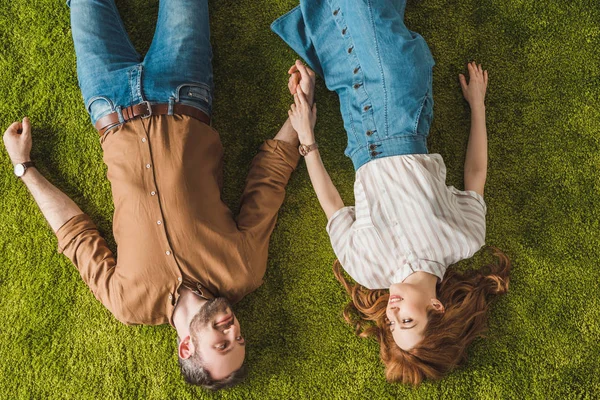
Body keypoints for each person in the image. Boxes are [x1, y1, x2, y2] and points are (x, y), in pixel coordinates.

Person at [2, 0, 303, 390]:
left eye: (223, 344)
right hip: (183, 91)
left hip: (107, 104)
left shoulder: (129, 304)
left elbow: (76, 236)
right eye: (239, 338)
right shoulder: (242, 270)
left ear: (186, 347)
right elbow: (270, 177)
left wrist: (24, 168)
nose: (233, 330)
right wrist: (303, 108)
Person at [274, 0, 511, 385]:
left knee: (345, 33)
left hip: (357, 127)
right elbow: (476, 173)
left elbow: (333, 206)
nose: (393, 311)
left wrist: (307, 136)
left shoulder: (366, 268)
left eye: (392, 323)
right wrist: (478, 105)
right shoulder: (463, 239)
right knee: (361, 13)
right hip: (402, 109)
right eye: (408, 320)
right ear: (436, 307)